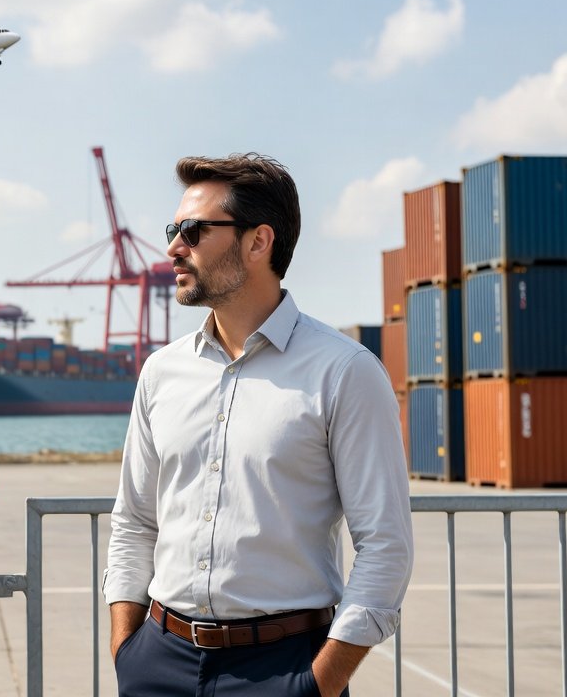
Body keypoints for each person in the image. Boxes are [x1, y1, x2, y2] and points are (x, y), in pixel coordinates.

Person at [104, 153, 413, 696]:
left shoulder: (345, 372)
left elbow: (385, 545)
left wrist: (319, 683)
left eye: (193, 231)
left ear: (258, 241)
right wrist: (128, 651)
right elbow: (134, 522)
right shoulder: (161, 372)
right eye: (174, 229)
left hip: (283, 670)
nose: (174, 247)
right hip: (157, 662)